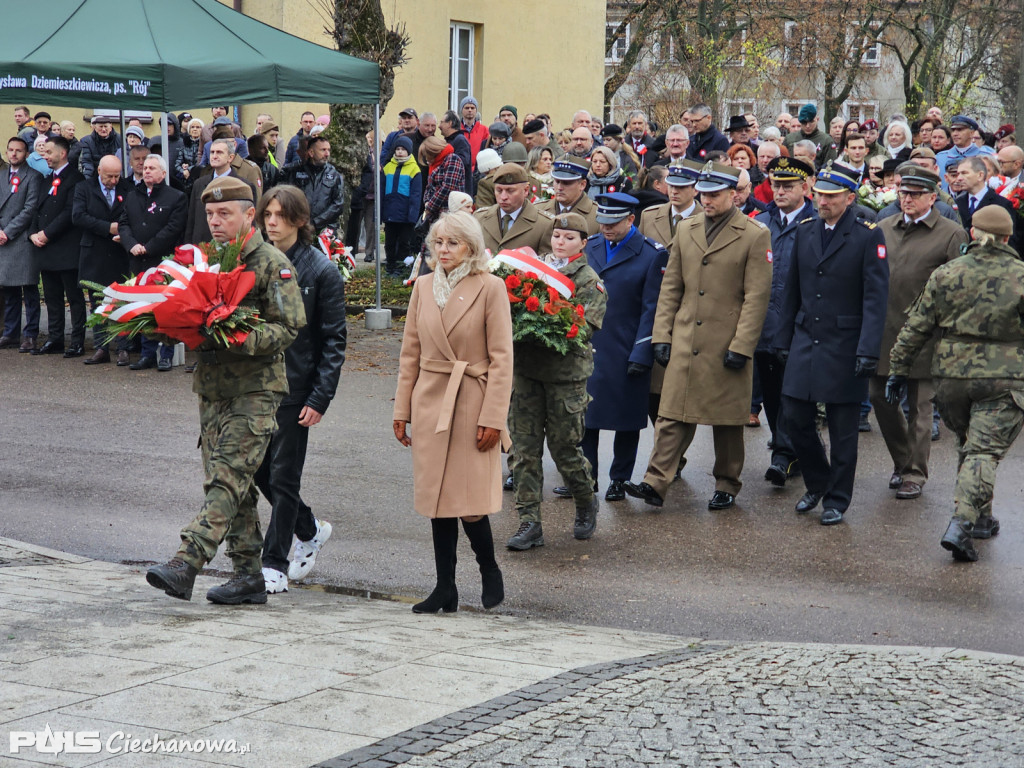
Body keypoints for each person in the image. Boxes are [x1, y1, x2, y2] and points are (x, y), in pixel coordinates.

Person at [145, 176, 307, 604]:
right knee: (236, 486)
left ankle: (187, 561)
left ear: (250, 215)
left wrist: (237, 335)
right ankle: (249, 575)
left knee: (227, 478)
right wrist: (161, 325)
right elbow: (186, 316)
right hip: (213, 389)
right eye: (210, 214)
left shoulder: (271, 264)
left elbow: (288, 328)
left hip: (256, 390)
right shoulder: (206, 262)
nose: (215, 221)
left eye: (225, 213)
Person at [625, 163, 772, 511]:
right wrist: (661, 335)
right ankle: (655, 481)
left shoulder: (754, 234)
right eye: (704, 193)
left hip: (726, 340)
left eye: (715, 194)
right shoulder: (687, 228)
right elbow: (671, 287)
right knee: (672, 412)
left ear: (733, 194)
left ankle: (727, 483)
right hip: (686, 336)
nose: (707, 200)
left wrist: (742, 345)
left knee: (727, 420)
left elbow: (756, 297)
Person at [392, 210, 513, 612]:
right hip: (430, 401)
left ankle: (489, 569)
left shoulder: (491, 287)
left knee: (470, 502)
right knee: (437, 499)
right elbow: (409, 354)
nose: (443, 250)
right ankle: (445, 586)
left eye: (453, 243)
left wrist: (493, 417)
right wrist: (402, 409)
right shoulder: (423, 286)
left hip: (472, 401)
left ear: (471, 247)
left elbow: (502, 359)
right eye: (438, 242)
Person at [886, 207, 1022, 562]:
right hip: (1004, 379)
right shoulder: (1021, 277)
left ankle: (981, 516)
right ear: (1007, 238)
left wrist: (897, 369)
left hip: (952, 377)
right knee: (983, 451)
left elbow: (916, 326)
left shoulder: (946, 273)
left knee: (970, 443)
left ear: (973, 234)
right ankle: (961, 524)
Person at [773, 163, 889, 526]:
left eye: (831, 196)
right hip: (806, 338)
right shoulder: (806, 230)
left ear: (850, 198)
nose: (822, 201)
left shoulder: (868, 236)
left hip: (845, 343)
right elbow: (792, 290)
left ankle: (837, 498)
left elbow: (875, 299)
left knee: (843, 431)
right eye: (820, 195)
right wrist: (782, 338)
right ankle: (818, 482)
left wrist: (868, 350)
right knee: (794, 417)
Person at [252, 186, 346, 593]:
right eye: (267, 214)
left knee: (284, 476)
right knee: (258, 470)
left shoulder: (321, 271)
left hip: (296, 387)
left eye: (280, 215)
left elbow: (333, 340)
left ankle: (273, 564)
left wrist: (320, 396)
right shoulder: (256, 261)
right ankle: (309, 529)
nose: (272, 222)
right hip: (257, 386)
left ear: (300, 220)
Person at [506, 211, 607, 550]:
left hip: (565, 378)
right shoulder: (533, 271)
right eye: (557, 236)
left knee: (564, 450)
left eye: (569, 238)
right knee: (524, 450)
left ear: (583, 243)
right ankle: (529, 522)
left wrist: (544, 317)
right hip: (526, 373)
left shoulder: (588, 280)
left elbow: (584, 328)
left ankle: (585, 500)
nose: (561, 242)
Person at [868, 165, 966, 501]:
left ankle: (914, 474)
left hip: (927, 336)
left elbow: (957, 290)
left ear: (932, 197)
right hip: (885, 332)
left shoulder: (951, 234)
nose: (907, 199)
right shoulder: (884, 227)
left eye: (914, 194)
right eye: (903, 193)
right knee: (879, 398)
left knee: (920, 408)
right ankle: (902, 460)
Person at [581, 193, 668, 500]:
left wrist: (642, 352)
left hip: (626, 346)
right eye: (602, 221)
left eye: (614, 223)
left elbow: (652, 308)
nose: (606, 228)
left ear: (631, 220)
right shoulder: (591, 246)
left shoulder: (651, 254)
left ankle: (620, 478)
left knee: (627, 419)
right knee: (586, 416)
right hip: (591, 344)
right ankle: (586, 477)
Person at [753, 157, 817, 487]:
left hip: (800, 326)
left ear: (805, 187)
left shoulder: (815, 223)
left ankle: (785, 454)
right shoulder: (760, 223)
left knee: (796, 394)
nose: (779, 191)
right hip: (765, 325)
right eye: (776, 185)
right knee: (772, 393)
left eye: (787, 186)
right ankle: (789, 450)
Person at [117, 155, 188, 370]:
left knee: (165, 308)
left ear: (163, 173)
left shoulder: (176, 197)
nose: (146, 170)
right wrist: (131, 244)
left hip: (163, 261)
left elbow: (173, 228)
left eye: (152, 168)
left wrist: (149, 247)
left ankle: (166, 354)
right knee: (144, 308)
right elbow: (123, 223)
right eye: (145, 167)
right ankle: (147, 354)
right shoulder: (132, 195)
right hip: (138, 261)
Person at [71, 155, 132, 365]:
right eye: (109, 176)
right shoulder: (84, 188)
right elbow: (78, 216)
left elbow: (132, 213)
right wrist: (107, 227)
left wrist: (122, 230)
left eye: (117, 176)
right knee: (97, 303)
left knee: (121, 302)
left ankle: (123, 348)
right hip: (95, 251)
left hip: (119, 253)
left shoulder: (127, 188)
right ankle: (101, 347)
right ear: (99, 171)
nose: (113, 181)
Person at [29, 136, 86, 357]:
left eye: (49, 152)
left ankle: (77, 341)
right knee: (52, 298)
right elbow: (37, 210)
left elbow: (70, 212)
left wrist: (46, 234)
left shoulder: (76, 179)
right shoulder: (46, 180)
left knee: (74, 298)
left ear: (62, 153)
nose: (45, 156)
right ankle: (55, 338)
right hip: (46, 249)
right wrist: (33, 233)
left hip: (67, 248)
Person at [0, 137, 44, 353]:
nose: (14, 154)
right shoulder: (1, 175)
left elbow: (30, 208)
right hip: (3, 237)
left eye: (18, 150)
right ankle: (10, 333)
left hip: (22, 238)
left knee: (29, 288)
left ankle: (30, 334)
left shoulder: (33, 176)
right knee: (9, 289)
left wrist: (8, 232)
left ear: (26, 154)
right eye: (11, 150)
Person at [185, 139, 257, 245]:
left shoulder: (244, 186)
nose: (214, 156)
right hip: (202, 246)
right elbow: (191, 220)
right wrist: (189, 247)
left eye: (219, 152)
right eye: (212, 152)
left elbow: (250, 223)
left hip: (232, 247)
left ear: (230, 157)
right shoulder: (199, 183)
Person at [473, 163, 548, 255]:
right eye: (499, 190)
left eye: (510, 191)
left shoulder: (544, 224)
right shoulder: (480, 218)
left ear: (525, 190)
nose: (503, 197)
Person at [954, 156, 1020, 255]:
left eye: (964, 173)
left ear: (980, 175)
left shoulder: (1001, 203)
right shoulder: (958, 202)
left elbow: (1010, 239)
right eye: (958, 174)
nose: (958, 178)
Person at [278, 135, 345, 231]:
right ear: (311, 152)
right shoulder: (292, 171)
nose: (327, 154)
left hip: (325, 229)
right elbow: (282, 197)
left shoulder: (334, 174)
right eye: (323, 150)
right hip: (297, 226)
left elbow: (338, 204)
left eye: (328, 150)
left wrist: (315, 222)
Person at [381, 135, 423, 277]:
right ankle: (390, 266)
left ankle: (401, 267)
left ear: (409, 151)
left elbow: (416, 195)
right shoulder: (388, 168)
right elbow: (381, 191)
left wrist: (412, 216)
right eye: (397, 149)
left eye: (403, 149)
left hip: (405, 215)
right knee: (389, 242)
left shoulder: (414, 169)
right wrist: (380, 213)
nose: (400, 152)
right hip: (390, 213)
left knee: (404, 243)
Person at [537, 157, 599, 234]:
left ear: (582, 185)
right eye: (557, 181)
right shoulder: (538, 210)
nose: (559, 187)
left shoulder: (597, 215)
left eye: (566, 183)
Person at [176, 118, 204, 192]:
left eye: (198, 127)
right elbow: (177, 164)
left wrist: (189, 169)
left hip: (200, 179)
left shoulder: (205, 145)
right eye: (192, 127)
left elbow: (203, 164)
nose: (195, 129)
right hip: (186, 180)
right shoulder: (184, 144)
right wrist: (183, 171)